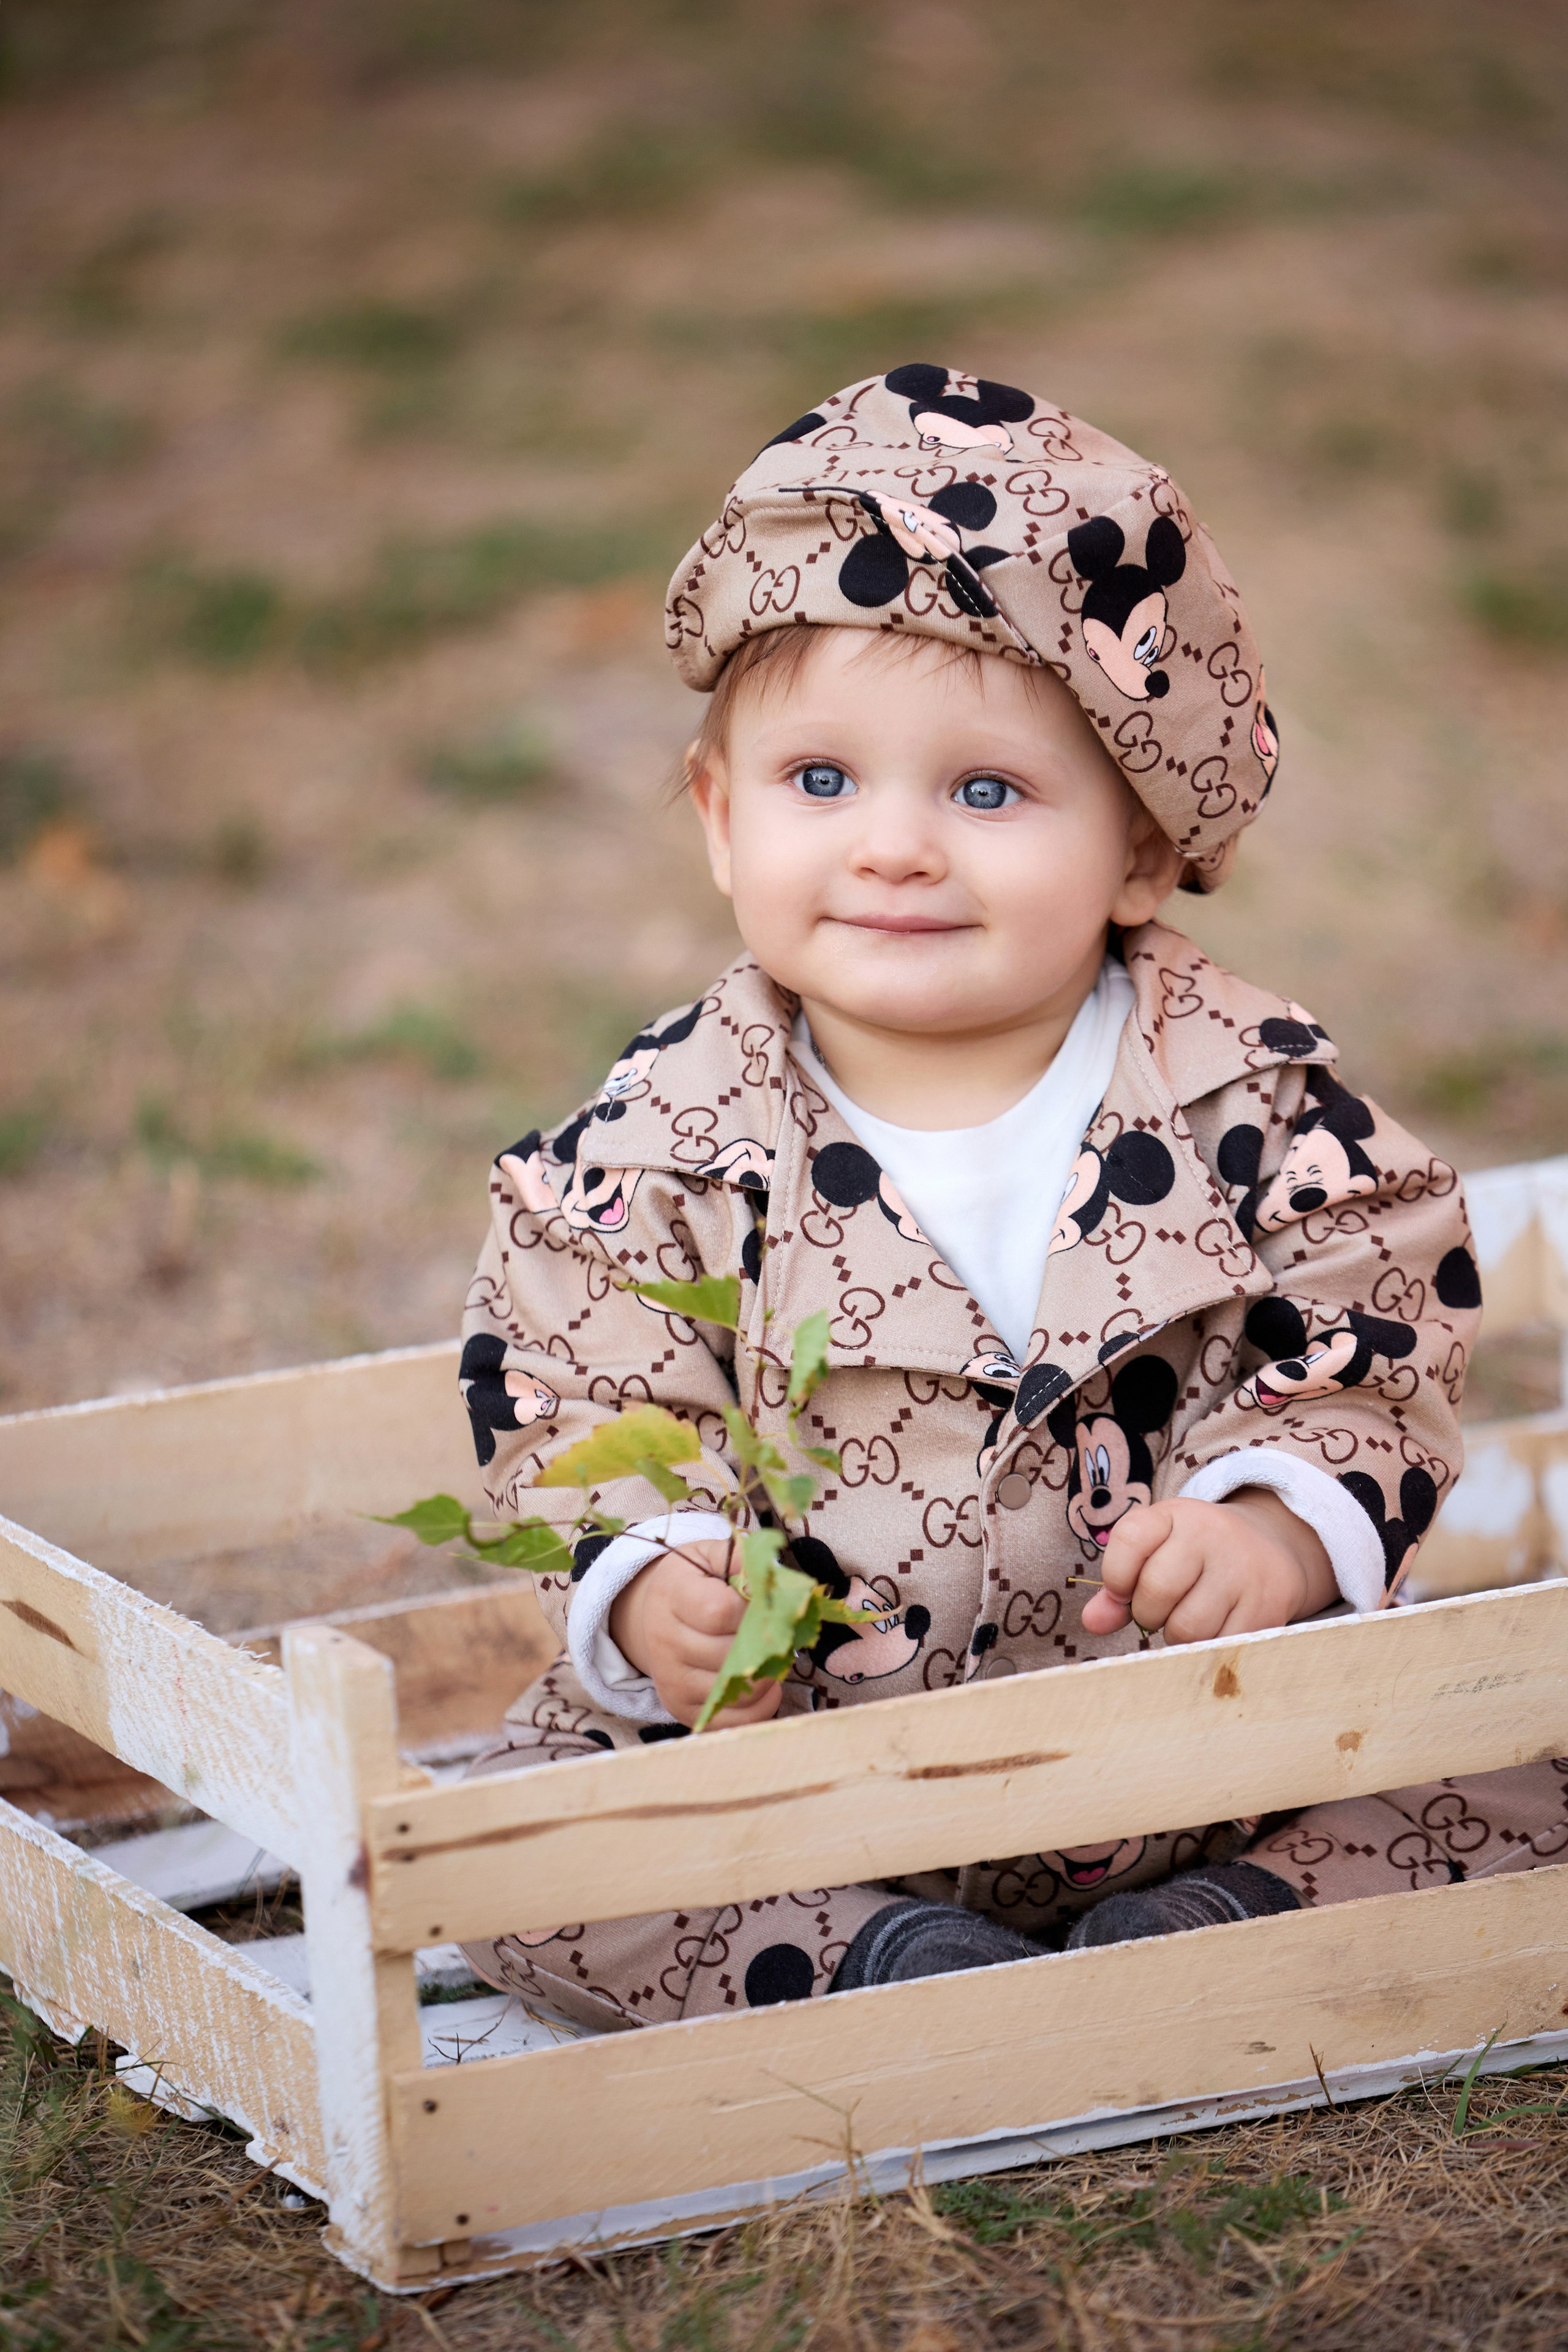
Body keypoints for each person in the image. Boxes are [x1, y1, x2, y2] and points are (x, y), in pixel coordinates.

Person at [454, 365, 1562, 2028]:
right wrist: (653, 1578)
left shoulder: (1255, 1103)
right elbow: (574, 1393)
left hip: (1212, 1740)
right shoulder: (644, 1154)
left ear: (1137, 851)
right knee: (513, 1857)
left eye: (985, 793)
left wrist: (1274, 1529)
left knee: (1522, 1764)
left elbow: (1371, 1315)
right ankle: (876, 1962)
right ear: (716, 819)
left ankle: (1237, 1912)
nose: (895, 846)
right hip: (808, 1786)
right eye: (820, 782)